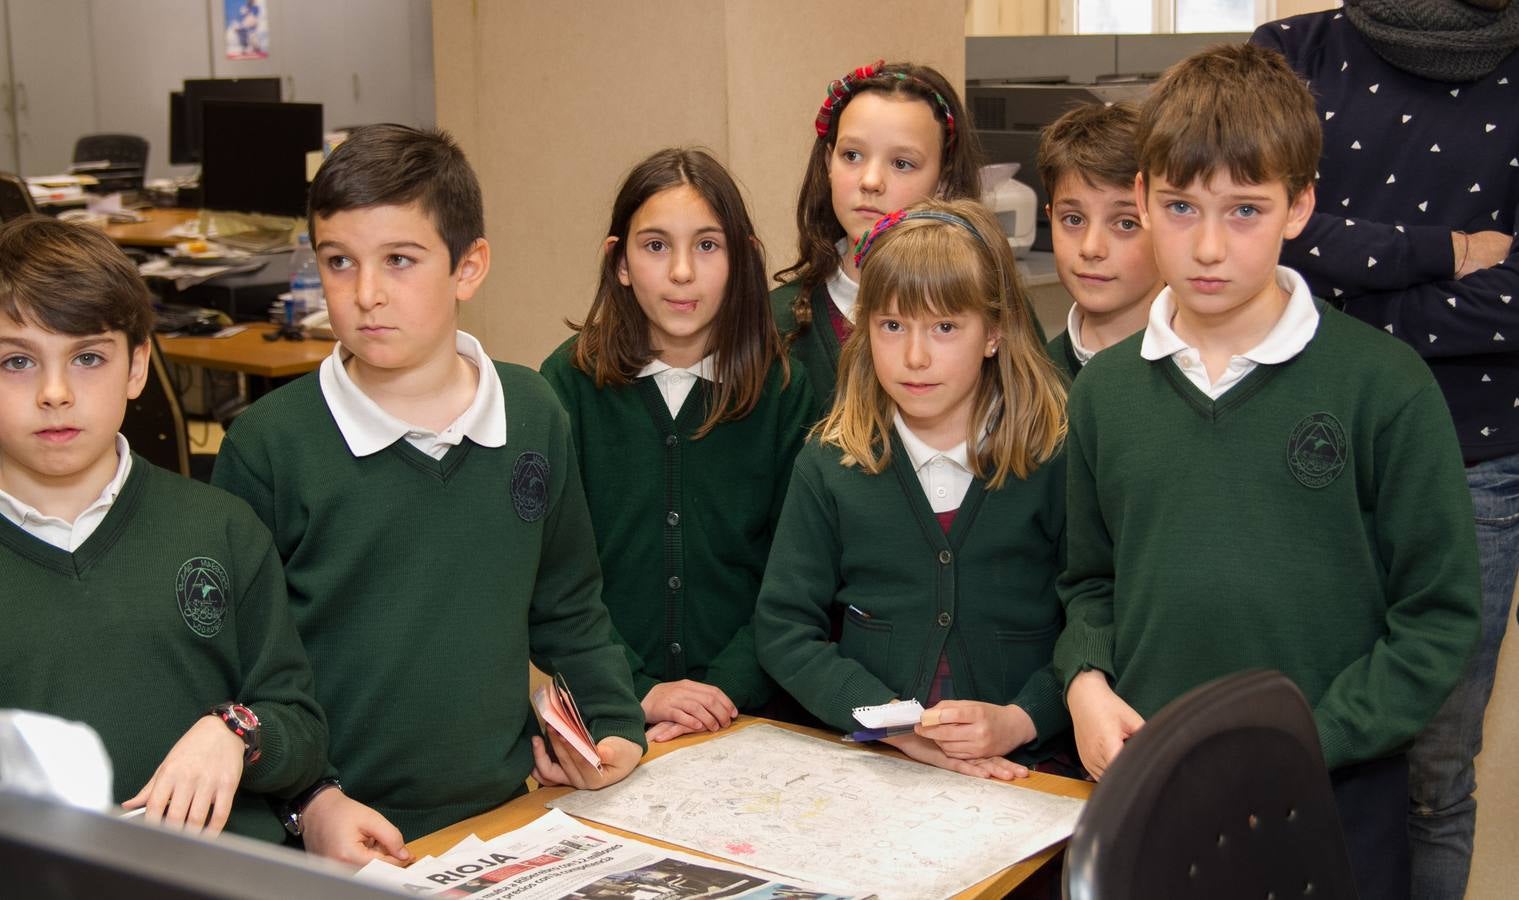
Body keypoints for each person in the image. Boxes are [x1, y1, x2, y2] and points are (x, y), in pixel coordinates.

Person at [1055, 44, 1481, 899]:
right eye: (1180, 207)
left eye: (1244, 210)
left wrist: (1302, 743)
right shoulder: (1103, 391)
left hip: (1331, 800)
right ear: (1142, 198)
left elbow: (1436, 619)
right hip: (1156, 790)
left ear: (1299, 206)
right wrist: (1085, 682)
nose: (1208, 246)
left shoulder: (1383, 385)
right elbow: (1088, 582)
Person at [211, 125, 646, 864]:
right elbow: (238, 676)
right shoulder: (268, 445)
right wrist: (308, 803)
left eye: (399, 260)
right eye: (339, 262)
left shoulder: (533, 412)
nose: (366, 294)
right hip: (332, 829)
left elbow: (568, 604)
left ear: (467, 267)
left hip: (506, 813)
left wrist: (612, 722)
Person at [1251, 5, 1519, 895]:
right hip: (1285, 445)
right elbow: (1262, 234)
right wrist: (1444, 251)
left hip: (1473, 465)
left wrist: (1338, 308)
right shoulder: (1291, 53)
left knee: (1432, 775)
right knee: (1266, 742)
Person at [0, 216, 326, 841]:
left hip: (216, 872)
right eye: (17, 360)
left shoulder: (220, 528)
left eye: (88, 357)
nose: (55, 392)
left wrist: (237, 732)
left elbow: (301, 730)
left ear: (136, 367)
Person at [755, 199, 1069, 779]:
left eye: (945, 327)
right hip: (878, 768)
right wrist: (893, 727)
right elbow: (783, 631)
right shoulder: (829, 464)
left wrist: (1023, 718)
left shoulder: (1054, 458)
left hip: (1034, 768)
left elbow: (1096, 616)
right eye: (892, 326)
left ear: (994, 333)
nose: (915, 357)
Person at [541, 148, 814, 743]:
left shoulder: (784, 388)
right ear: (619, 263)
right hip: (609, 711)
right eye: (656, 246)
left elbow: (800, 574)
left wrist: (726, 689)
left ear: (742, 259)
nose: (682, 272)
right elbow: (552, 576)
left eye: (707, 245)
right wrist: (634, 687)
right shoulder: (566, 385)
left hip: (756, 713)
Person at [771, 60, 984, 415]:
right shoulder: (777, 321)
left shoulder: (990, 308)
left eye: (901, 163)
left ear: (944, 181)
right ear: (828, 163)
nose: (870, 181)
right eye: (852, 155)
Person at [1034, 101, 1162, 380]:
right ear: (1050, 218)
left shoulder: (1210, 370)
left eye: (1125, 223)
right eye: (1073, 220)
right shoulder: (1034, 380)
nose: (1091, 248)